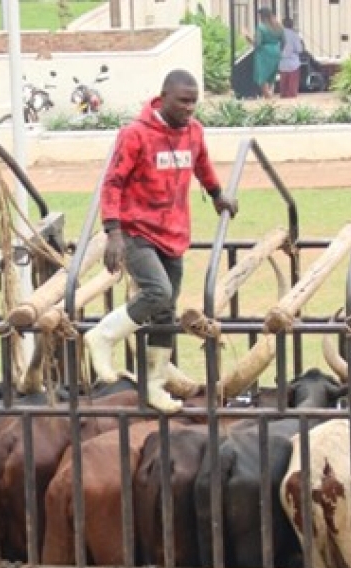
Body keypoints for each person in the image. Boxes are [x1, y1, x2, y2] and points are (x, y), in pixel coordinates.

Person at [84, 69, 237, 413]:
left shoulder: (194, 132)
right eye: (183, 101)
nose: (189, 108)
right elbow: (112, 184)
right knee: (158, 293)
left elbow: (203, 165)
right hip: (137, 232)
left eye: (194, 102)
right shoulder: (135, 135)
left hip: (174, 234)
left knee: (166, 312)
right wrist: (113, 232)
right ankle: (102, 336)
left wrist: (216, 194)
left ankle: (153, 385)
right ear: (163, 97)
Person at [247, 7, 283, 99]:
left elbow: (257, 44)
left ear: (262, 16)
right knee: (271, 75)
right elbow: (284, 40)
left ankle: (268, 96)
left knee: (262, 76)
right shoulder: (278, 26)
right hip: (276, 51)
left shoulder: (261, 27)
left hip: (264, 52)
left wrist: (247, 37)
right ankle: (270, 93)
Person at [278, 18, 304, 99]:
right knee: (292, 90)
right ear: (292, 25)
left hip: (282, 63)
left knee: (283, 87)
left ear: (282, 24)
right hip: (293, 64)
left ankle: (283, 102)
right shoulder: (294, 35)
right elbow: (299, 50)